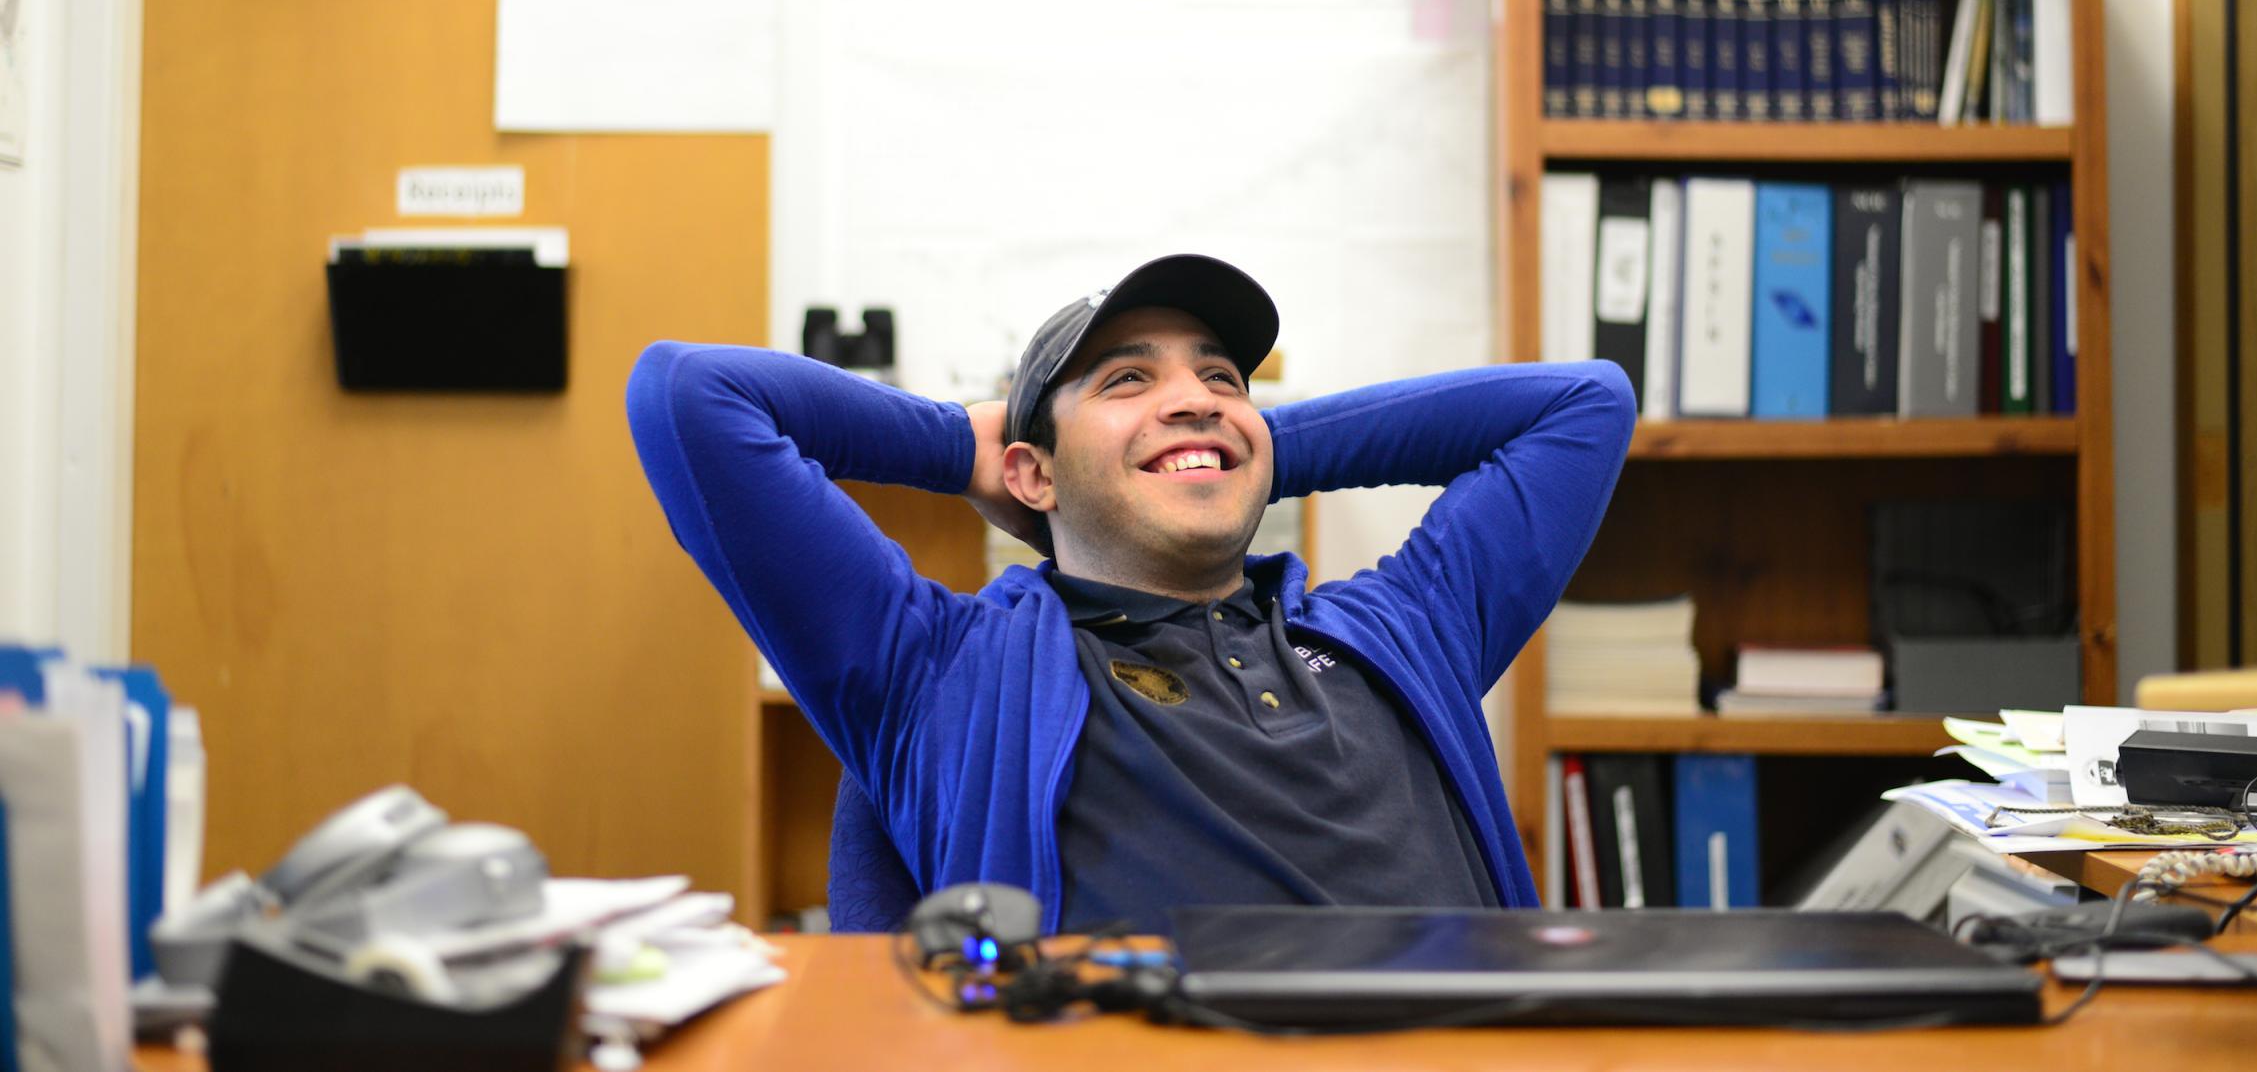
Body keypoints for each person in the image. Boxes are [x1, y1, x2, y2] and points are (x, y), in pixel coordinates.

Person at [625, 253, 1634, 934]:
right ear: (1029, 474)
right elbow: (689, 396)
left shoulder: (1401, 629)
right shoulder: (938, 672)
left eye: (1224, 379)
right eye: (1125, 381)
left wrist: (1234, 448)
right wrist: (955, 445)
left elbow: (1585, 405)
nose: (1193, 393)